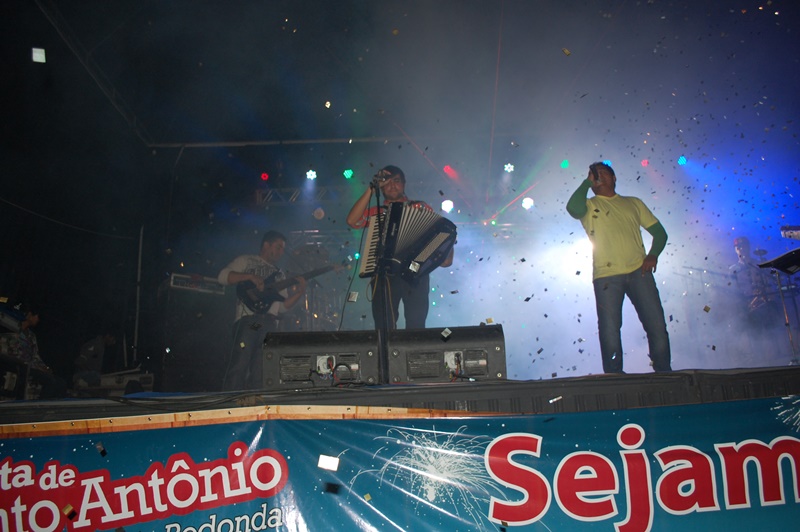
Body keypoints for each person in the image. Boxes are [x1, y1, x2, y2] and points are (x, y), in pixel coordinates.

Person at [566, 162, 672, 373]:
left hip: (639, 271)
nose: (599, 176)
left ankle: (663, 371)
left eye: (604, 173)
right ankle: (614, 376)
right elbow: (573, 208)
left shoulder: (633, 203)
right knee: (609, 329)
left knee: (656, 325)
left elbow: (660, 233)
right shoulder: (588, 205)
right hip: (606, 276)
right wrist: (587, 183)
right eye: (595, 174)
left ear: (614, 178)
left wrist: (652, 255)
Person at [346, 165, 453, 330]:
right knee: (384, 326)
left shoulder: (419, 207)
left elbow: (440, 233)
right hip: (384, 274)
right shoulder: (377, 211)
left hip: (416, 272)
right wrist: (372, 187)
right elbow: (352, 221)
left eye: (396, 181)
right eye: (387, 183)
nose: (392, 185)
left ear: (403, 184)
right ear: (381, 188)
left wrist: (446, 253)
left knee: (416, 325)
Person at [217, 231, 306, 391]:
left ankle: (256, 405)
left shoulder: (280, 274)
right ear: (266, 244)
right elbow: (222, 277)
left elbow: (283, 307)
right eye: (278, 247)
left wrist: (299, 292)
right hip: (249, 320)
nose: (280, 252)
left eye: (282, 249)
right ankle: (230, 405)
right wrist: (249, 277)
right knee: (240, 365)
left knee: (262, 370)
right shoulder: (246, 260)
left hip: (270, 324)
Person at [5, 304, 67, 398]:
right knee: (49, 381)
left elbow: (35, 356)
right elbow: (12, 354)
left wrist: (45, 368)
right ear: (30, 315)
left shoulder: (31, 336)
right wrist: (34, 367)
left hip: (32, 368)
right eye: (36, 316)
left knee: (60, 382)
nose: (37, 319)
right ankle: (40, 406)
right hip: (20, 367)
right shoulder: (12, 330)